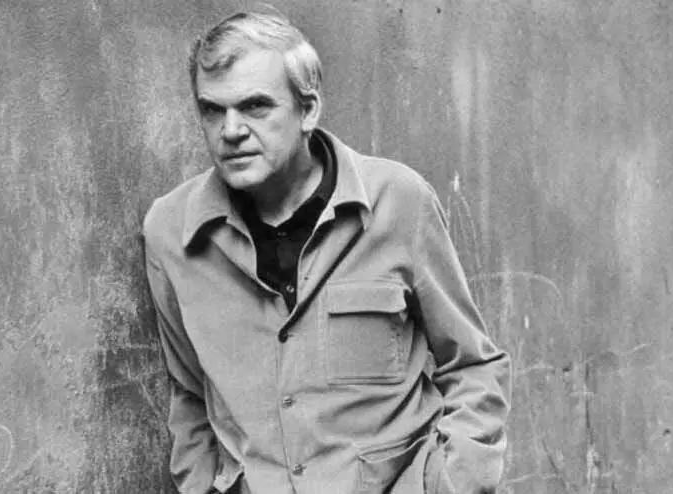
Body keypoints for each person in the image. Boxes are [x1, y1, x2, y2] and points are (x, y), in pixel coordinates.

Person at [143, 10, 511, 494]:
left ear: (308, 110)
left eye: (255, 106)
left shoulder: (399, 202)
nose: (230, 130)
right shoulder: (171, 233)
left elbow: (472, 366)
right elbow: (190, 395)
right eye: (213, 110)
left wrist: (451, 483)